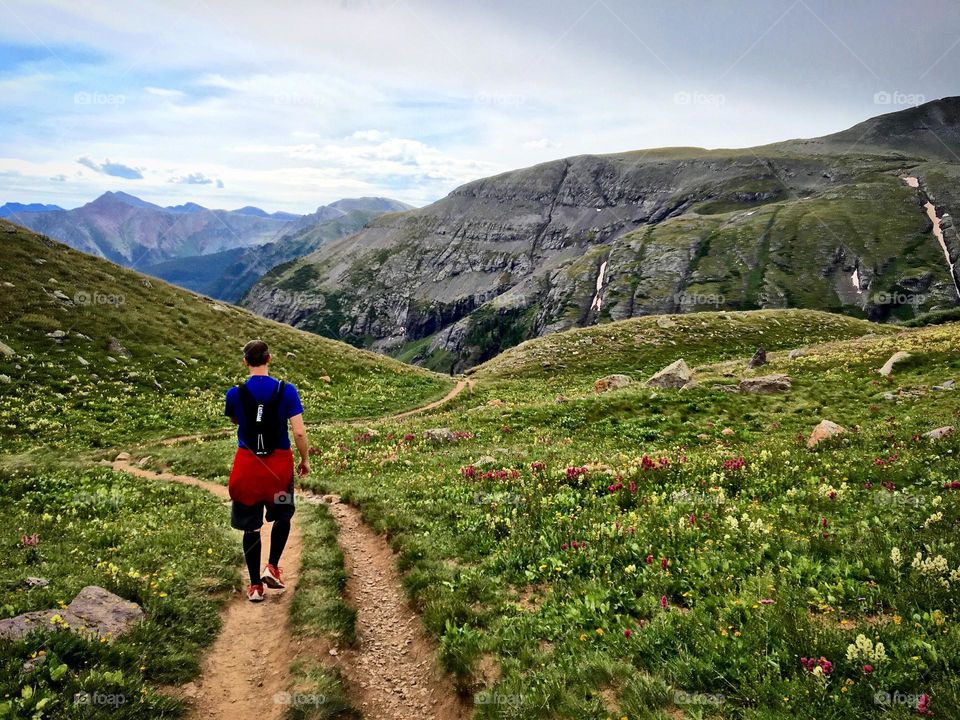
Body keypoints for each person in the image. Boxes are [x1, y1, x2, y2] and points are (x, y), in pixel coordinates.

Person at [225, 339, 310, 602]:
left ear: (245, 362)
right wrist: (304, 459)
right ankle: (272, 566)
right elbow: (298, 431)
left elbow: (236, 419)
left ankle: (254, 587)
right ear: (269, 359)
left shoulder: (234, 394)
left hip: (248, 469)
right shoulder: (287, 391)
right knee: (283, 513)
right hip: (278, 471)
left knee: (250, 527)